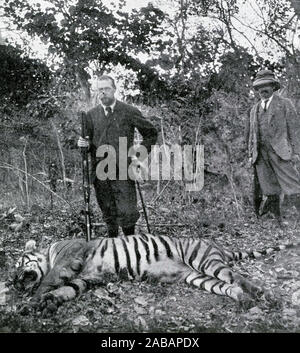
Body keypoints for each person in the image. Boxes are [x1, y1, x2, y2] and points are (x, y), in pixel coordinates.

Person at [78, 75, 157, 237]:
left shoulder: (129, 111)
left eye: (106, 89)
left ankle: (130, 246)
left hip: (123, 170)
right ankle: (112, 247)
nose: (103, 93)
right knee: (108, 213)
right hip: (100, 171)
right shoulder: (91, 115)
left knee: (128, 213)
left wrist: (137, 154)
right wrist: (81, 144)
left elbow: (151, 134)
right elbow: (86, 144)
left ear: (114, 89)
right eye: (100, 90)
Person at [246, 69, 300, 225]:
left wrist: (296, 152)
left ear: (273, 86)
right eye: (259, 87)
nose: (263, 90)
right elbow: (251, 134)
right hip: (260, 154)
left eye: (267, 85)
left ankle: (295, 219)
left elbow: (295, 129)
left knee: (293, 184)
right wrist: (251, 153)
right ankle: (274, 220)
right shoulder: (254, 109)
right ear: (256, 89)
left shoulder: (285, 104)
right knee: (269, 187)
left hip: (282, 152)